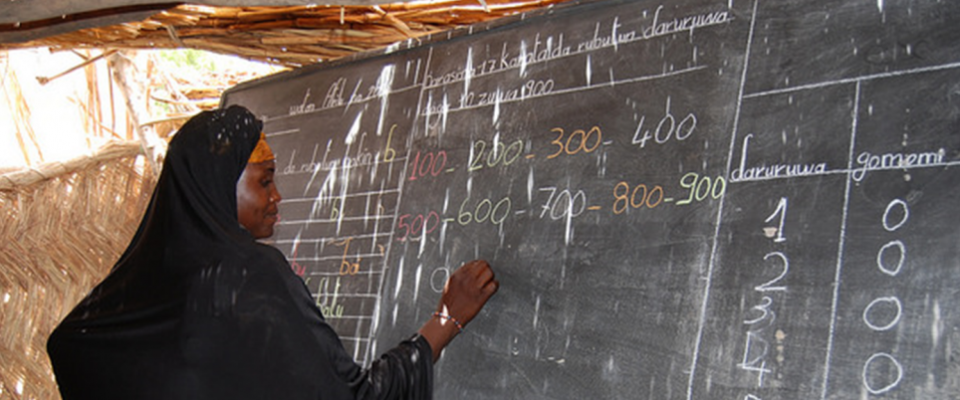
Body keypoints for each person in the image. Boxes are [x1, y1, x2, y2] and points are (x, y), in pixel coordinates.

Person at [47, 105, 499, 399]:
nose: (278, 195)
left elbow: (66, 346)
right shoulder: (249, 275)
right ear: (218, 185)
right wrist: (446, 320)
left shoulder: (132, 292)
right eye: (265, 180)